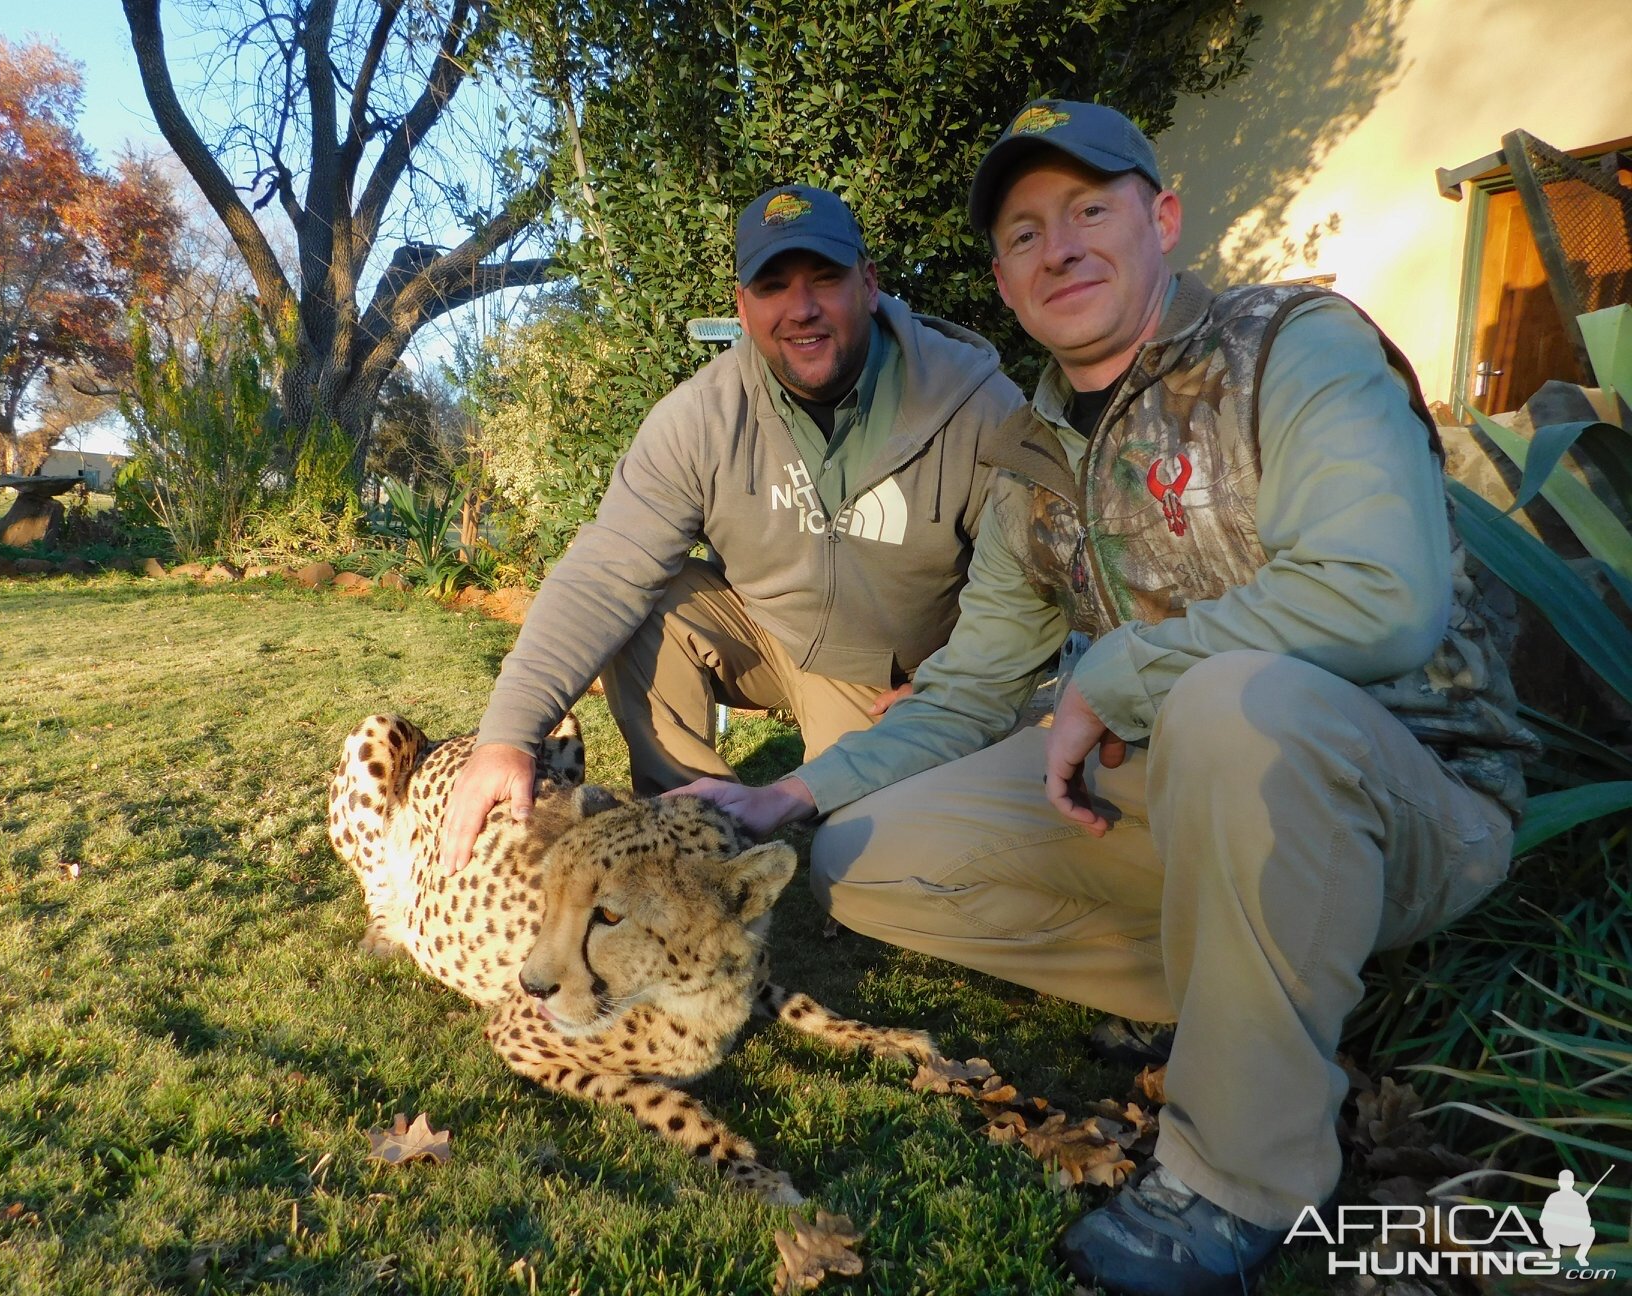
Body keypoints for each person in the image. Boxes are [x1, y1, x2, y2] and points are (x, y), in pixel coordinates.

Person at [674, 101, 1538, 1296]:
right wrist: (791, 796)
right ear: (1002, 275)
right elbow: (974, 683)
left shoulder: (1294, 344)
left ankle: (1242, 1177)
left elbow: (1385, 593)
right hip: (1187, 793)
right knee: (866, 861)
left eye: (1090, 210)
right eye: (1025, 232)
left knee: (1239, 702)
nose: (1060, 248)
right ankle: (1266, 986)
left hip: (1417, 793)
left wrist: (1125, 671)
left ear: (1162, 219)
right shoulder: (1035, 454)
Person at [438, 183, 1025, 873]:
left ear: (868, 283)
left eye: (825, 279)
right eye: (773, 285)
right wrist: (506, 737)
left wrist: (947, 684)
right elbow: (605, 571)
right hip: (771, 637)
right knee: (649, 596)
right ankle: (684, 846)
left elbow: (1029, 594)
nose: (801, 308)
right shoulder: (701, 417)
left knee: (864, 864)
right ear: (743, 307)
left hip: (897, 680)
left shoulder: (977, 407)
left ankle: (847, 817)